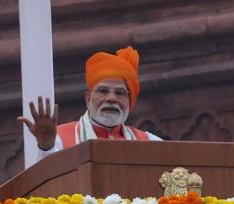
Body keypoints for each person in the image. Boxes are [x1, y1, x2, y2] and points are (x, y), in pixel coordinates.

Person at [20, 46, 163, 154]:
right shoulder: (59, 138)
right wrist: (46, 145)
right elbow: (47, 181)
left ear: (129, 100)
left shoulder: (150, 142)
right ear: (88, 98)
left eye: (120, 93)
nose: (112, 98)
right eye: (103, 91)